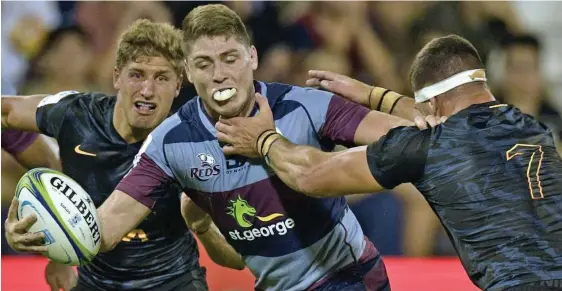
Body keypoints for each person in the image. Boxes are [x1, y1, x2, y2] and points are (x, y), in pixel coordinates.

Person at [59, 4, 439, 291]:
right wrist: (49, 234)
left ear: (252, 58)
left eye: (230, 59)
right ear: (189, 73)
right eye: (204, 64)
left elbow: (405, 135)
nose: (220, 74)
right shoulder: (170, 141)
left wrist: (378, 97)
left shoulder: (303, 105)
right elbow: (104, 228)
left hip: (348, 277)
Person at [215, 34, 562, 291]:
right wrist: (372, 96)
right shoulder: (535, 128)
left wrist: (262, 139)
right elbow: (453, 118)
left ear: (433, 103)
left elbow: (310, 174)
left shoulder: (425, 146)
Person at [2, 19, 243, 291]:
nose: (147, 90)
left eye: (162, 78)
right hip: (94, 283)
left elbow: (235, 259)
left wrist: (202, 225)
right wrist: (41, 241)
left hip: (173, 283)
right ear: (117, 77)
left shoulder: (195, 149)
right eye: (137, 74)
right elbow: (5, 113)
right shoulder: (76, 114)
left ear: (178, 85)